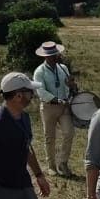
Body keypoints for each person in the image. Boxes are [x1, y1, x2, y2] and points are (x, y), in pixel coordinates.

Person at [32, 41, 77, 177]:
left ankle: (63, 163)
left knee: (69, 133)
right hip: (48, 107)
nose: (52, 57)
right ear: (44, 56)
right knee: (50, 137)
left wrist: (72, 87)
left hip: (64, 107)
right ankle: (51, 166)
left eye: (54, 54)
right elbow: (40, 90)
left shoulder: (63, 68)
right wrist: (55, 99)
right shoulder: (39, 71)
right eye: (49, 55)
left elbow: (67, 86)